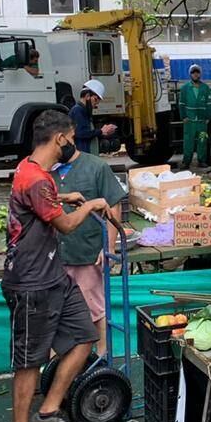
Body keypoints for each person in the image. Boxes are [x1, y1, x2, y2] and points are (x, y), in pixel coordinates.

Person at [1, 110, 108, 422]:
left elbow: (42, 205)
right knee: (29, 361)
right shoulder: (36, 179)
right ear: (60, 138)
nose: (73, 143)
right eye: (72, 138)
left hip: (54, 277)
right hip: (31, 282)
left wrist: (65, 196)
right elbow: (64, 226)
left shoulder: (33, 171)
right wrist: (91, 202)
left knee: (83, 336)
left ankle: (48, 412)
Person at [52, 148, 127, 357]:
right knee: (58, 312)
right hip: (56, 253)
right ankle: (57, 364)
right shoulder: (46, 168)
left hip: (87, 252)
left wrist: (109, 245)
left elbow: (113, 203)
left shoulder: (96, 166)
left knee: (94, 308)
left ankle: (103, 358)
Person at [69, 79, 118, 155]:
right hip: (83, 155)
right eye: (95, 99)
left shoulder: (83, 111)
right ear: (87, 96)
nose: (96, 104)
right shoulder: (78, 111)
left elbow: (88, 133)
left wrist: (103, 132)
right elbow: (81, 133)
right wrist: (101, 131)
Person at [178, 64, 211, 169]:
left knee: (202, 140)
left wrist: (208, 117)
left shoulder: (205, 88)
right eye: (193, 72)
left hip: (202, 121)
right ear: (190, 74)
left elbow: (209, 104)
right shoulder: (185, 88)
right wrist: (184, 117)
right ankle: (186, 162)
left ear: (200, 74)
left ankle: (202, 161)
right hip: (190, 120)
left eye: (197, 72)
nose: (195, 74)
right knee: (188, 142)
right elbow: (181, 104)